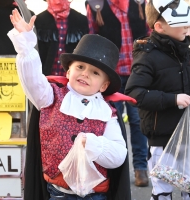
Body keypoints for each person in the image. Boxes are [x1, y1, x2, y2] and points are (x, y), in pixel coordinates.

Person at [8, 8, 133, 200]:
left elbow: (117, 156)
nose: (85, 74)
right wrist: (25, 46)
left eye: (95, 73)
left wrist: (91, 143)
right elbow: (32, 80)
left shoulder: (107, 113)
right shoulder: (50, 97)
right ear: (67, 72)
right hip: (59, 194)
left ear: (104, 85)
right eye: (80, 67)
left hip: (95, 195)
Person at [124, 0, 190, 199]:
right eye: (182, 24)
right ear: (159, 27)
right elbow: (134, 93)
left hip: (189, 137)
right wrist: (173, 99)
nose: (188, 28)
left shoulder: (186, 52)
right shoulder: (147, 56)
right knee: (163, 191)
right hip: (161, 142)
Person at [85, 0, 149, 187]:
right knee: (110, 123)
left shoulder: (140, 2)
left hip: (138, 73)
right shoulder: (96, 4)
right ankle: (114, 172)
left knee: (137, 121)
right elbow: (92, 38)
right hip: (110, 76)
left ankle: (140, 168)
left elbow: (150, 33)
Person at [34, 0, 89, 76]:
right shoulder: (37, 21)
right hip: (44, 78)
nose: (58, 1)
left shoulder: (82, 21)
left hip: (72, 78)